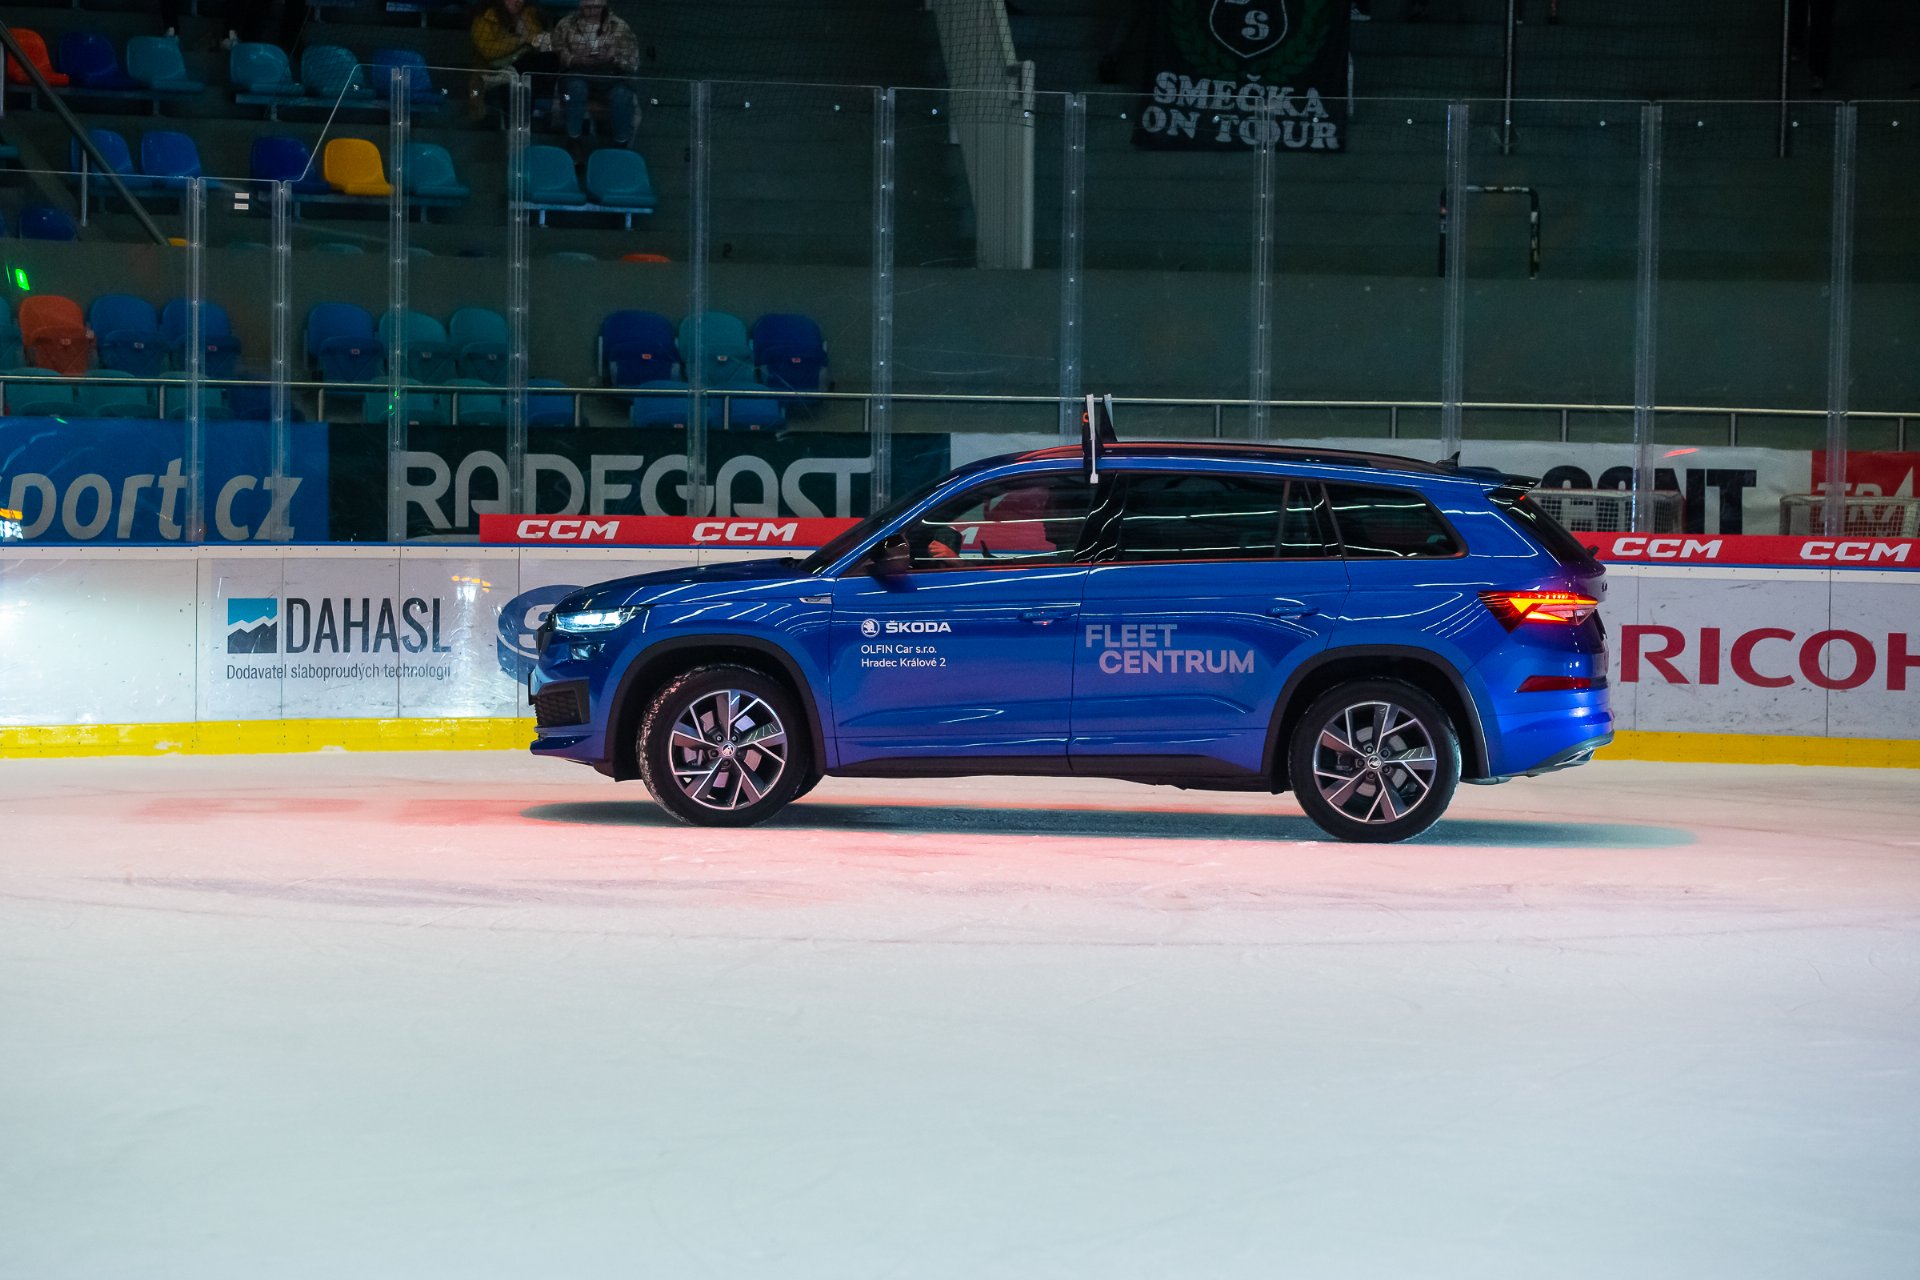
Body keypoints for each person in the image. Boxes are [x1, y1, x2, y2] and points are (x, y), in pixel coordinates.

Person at [549, 0, 641, 150]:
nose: (591, 10)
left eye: (595, 7)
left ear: (604, 4)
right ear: (581, 3)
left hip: (610, 77)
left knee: (622, 95)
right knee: (575, 88)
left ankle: (621, 145)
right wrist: (575, 59)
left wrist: (612, 58)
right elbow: (556, 50)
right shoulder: (565, 24)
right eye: (588, 7)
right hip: (576, 74)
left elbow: (633, 62)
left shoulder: (620, 27)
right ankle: (574, 141)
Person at [469, 0, 559, 121]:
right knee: (511, 83)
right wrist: (519, 40)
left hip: (524, 65)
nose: (519, 1)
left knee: (547, 60)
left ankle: (534, 116)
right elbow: (489, 52)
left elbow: (537, 41)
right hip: (491, 68)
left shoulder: (528, 15)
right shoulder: (485, 19)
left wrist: (523, 22)